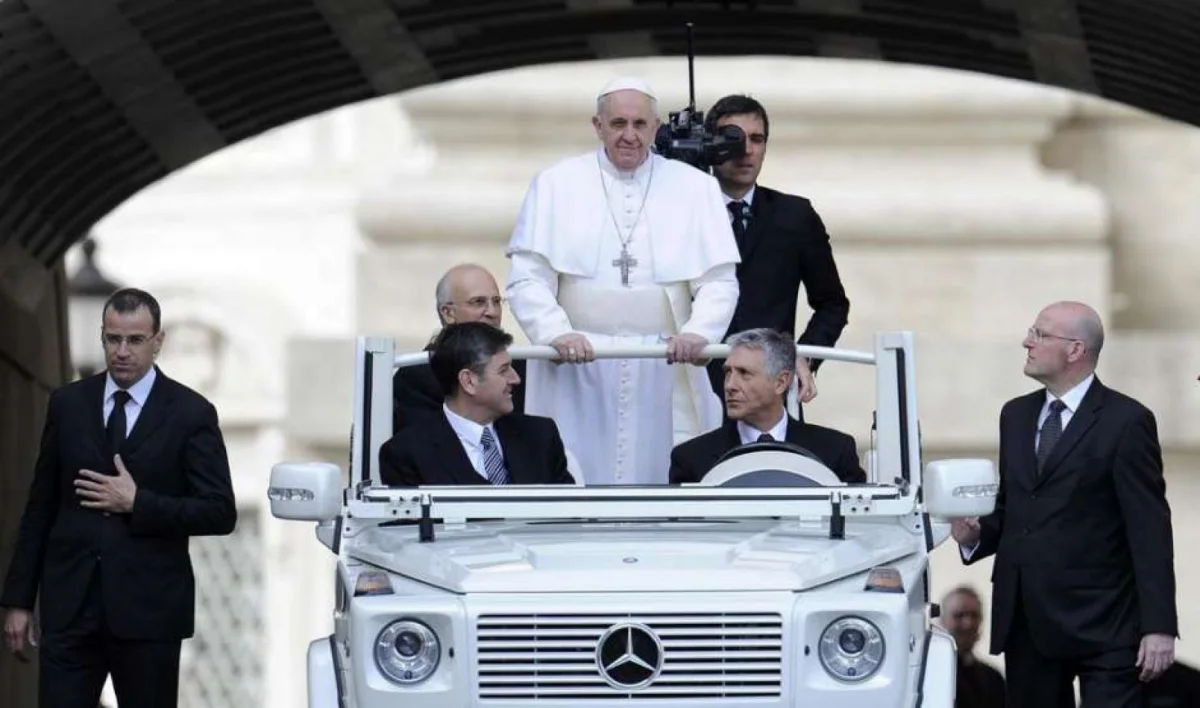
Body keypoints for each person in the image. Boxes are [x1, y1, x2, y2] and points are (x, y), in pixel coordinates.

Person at [1, 287, 237, 708]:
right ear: (102, 337)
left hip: (149, 615)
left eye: (135, 340)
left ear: (158, 342)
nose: (122, 351)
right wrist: (18, 600)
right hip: (71, 611)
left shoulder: (191, 413)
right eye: (113, 339)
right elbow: (41, 506)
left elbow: (219, 512)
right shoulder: (68, 404)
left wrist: (138, 503)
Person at [505, 75, 741, 485]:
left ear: (655, 127)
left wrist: (699, 332)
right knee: (574, 471)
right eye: (618, 124)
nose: (629, 135)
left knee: (663, 474)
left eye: (639, 124)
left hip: (664, 361)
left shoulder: (696, 188)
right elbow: (528, 279)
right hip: (577, 362)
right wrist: (554, 332)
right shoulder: (555, 183)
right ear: (597, 125)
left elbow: (719, 281)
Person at [952, 301, 1177, 708]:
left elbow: (1150, 531)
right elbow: (1015, 509)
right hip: (1027, 620)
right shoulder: (1015, 415)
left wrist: (1159, 626)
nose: (1027, 342)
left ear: (1075, 350)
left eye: (1039, 334)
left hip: (1105, 623)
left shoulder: (1127, 421)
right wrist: (975, 535)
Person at [704, 94, 851, 419]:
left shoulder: (795, 215)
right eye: (734, 139)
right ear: (711, 145)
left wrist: (802, 357)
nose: (747, 150)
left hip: (771, 395)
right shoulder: (684, 213)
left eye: (757, 139)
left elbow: (833, 304)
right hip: (695, 389)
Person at [379, 321, 575, 487]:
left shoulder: (540, 436)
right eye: (504, 370)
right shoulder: (406, 453)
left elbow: (570, 513)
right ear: (469, 381)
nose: (516, 379)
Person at [668, 328, 865, 485]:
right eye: (728, 372)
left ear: (781, 382)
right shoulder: (690, 459)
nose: (730, 385)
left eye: (744, 373)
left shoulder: (835, 452)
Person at [393, 263, 525, 431]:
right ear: (448, 313)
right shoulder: (417, 376)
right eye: (478, 302)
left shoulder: (518, 368)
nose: (493, 312)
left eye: (497, 301)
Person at [940, 585, 1006, 708]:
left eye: (974, 616)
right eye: (959, 615)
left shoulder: (993, 679)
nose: (968, 624)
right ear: (942, 621)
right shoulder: (932, 674)